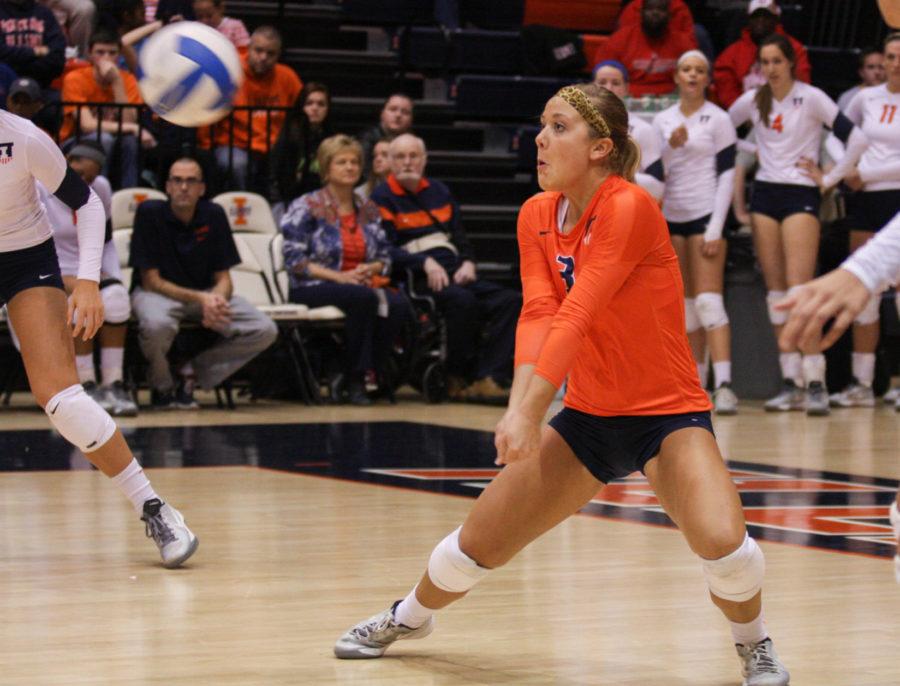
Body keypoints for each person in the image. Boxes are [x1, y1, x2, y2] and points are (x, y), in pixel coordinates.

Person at [334, 83, 791, 686]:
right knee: (474, 547)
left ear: (601, 147)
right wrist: (522, 406)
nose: (540, 140)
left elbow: (579, 312)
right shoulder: (536, 214)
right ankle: (410, 618)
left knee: (726, 549)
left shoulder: (628, 206)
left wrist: (527, 413)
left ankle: (753, 643)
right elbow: (540, 312)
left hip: (667, 414)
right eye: (540, 126)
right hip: (589, 418)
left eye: (557, 128)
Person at [0, 106, 197, 567]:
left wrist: (88, 281)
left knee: (63, 399)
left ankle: (155, 508)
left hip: (25, 260)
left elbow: (86, 202)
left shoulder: (23, 137)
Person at [728, 34, 867, 415]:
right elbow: (723, 131)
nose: (770, 69)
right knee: (776, 294)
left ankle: (816, 380)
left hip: (801, 193)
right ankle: (791, 382)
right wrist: (752, 150)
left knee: (801, 288)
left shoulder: (812, 97)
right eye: (764, 63)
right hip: (765, 195)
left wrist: (830, 176)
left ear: (790, 62)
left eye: (776, 61)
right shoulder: (756, 98)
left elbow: (856, 138)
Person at [371, 133, 521, 404]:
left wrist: (468, 262)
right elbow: (383, 249)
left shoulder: (440, 191)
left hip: (453, 269)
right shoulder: (380, 197)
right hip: (416, 276)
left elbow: (460, 237)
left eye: (414, 156)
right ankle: (456, 375)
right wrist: (423, 262)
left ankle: (488, 376)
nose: (408, 162)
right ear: (390, 162)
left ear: (424, 160)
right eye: (401, 157)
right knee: (462, 301)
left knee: (510, 301)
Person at [799, 33, 900, 408]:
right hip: (867, 200)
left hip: (894, 193)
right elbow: (835, 138)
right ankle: (862, 382)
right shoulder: (865, 98)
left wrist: (867, 172)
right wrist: (847, 169)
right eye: (890, 56)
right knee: (867, 292)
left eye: (899, 56)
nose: (895, 63)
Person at [129, 157, 278, 409]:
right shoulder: (150, 213)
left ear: (202, 188)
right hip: (158, 294)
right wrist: (203, 299)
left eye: (191, 181)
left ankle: (192, 371)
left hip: (205, 294)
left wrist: (217, 298)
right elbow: (151, 280)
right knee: (156, 324)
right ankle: (162, 386)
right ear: (167, 186)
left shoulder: (214, 214)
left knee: (264, 329)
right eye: (177, 180)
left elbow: (224, 278)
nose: (183, 187)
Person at [280, 135, 413, 405]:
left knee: (399, 304)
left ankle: (366, 369)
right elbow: (294, 259)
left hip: (360, 283)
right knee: (361, 298)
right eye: (342, 162)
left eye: (354, 162)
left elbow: (385, 256)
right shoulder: (306, 206)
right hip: (312, 286)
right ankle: (355, 378)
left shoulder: (367, 208)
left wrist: (370, 268)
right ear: (326, 169)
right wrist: (340, 277)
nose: (350, 167)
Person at [653, 50, 738, 414]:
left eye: (699, 71)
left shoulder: (718, 119)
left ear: (707, 79)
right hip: (673, 216)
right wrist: (671, 148)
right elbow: (656, 173)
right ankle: (695, 385)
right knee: (685, 310)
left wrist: (717, 226)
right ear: (676, 76)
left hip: (706, 216)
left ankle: (725, 386)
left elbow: (728, 174)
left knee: (708, 301)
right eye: (686, 69)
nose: (692, 75)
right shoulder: (661, 120)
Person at [34, 140, 138, 416]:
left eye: (89, 178)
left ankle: (113, 383)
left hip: (88, 265)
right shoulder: (41, 187)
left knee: (117, 300)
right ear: (65, 161)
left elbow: (105, 241)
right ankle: (85, 382)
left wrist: (111, 277)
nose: (84, 182)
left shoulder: (101, 188)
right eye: (79, 175)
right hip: (49, 266)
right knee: (79, 304)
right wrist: (68, 279)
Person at [206, 25, 302, 193]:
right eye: (258, 50)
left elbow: (304, 108)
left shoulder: (287, 77)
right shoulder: (230, 72)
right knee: (237, 164)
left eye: (270, 53)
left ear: (278, 55)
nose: (263, 57)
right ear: (248, 49)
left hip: (273, 148)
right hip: (233, 145)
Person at [59, 27, 155, 188]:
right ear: (90, 54)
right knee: (103, 138)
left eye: (112, 53)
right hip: (76, 140)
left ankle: (127, 197)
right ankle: (98, 190)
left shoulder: (127, 79)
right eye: (100, 52)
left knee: (131, 142)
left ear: (119, 55)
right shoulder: (75, 78)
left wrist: (117, 82)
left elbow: (128, 119)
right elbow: (88, 125)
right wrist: (131, 127)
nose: (107, 58)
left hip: (116, 140)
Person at [713, 0, 810, 109]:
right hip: (744, 118)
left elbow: (801, 85)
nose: (760, 21)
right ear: (748, 20)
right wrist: (747, 114)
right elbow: (727, 92)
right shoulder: (731, 54)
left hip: (785, 113)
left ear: (776, 19)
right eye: (756, 17)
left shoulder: (795, 49)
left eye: (766, 17)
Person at [593, 59, 665, 200]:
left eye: (616, 83)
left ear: (626, 88)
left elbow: (658, 187)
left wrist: (614, 176)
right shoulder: (577, 127)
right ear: (592, 87)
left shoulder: (643, 130)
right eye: (602, 82)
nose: (609, 88)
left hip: (624, 209)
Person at [594, 0, 698, 97]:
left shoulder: (682, 42)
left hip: (672, 97)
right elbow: (602, 74)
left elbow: (696, 73)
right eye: (650, 9)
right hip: (628, 96)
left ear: (670, 15)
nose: (655, 13)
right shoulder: (620, 39)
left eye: (661, 9)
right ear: (641, 13)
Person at [271, 81, 333, 207]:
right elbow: (275, 175)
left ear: (328, 109)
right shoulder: (289, 136)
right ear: (301, 107)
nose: (315, 108)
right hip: (290, 201)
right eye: (309, 103)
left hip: (324, 203)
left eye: (321, 104)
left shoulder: (332, 139)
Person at [0, 0, 66, 89]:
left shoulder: (44, 13)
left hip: (41, 86)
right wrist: (35, 52)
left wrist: (17, 62)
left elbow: (57, 57)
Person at [357, 93, 414, 173]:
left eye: (405, 112)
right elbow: (363, 173)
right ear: (382, 114)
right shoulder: (367, 139)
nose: (398, 115)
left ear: (411, 119)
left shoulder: (413, 143)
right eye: (393, 109)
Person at [836, 47, 886, 112]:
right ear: (861, 72)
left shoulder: (895, 96)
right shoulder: (849, 97)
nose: (877, 72)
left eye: (881, 67)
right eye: (871, 67)